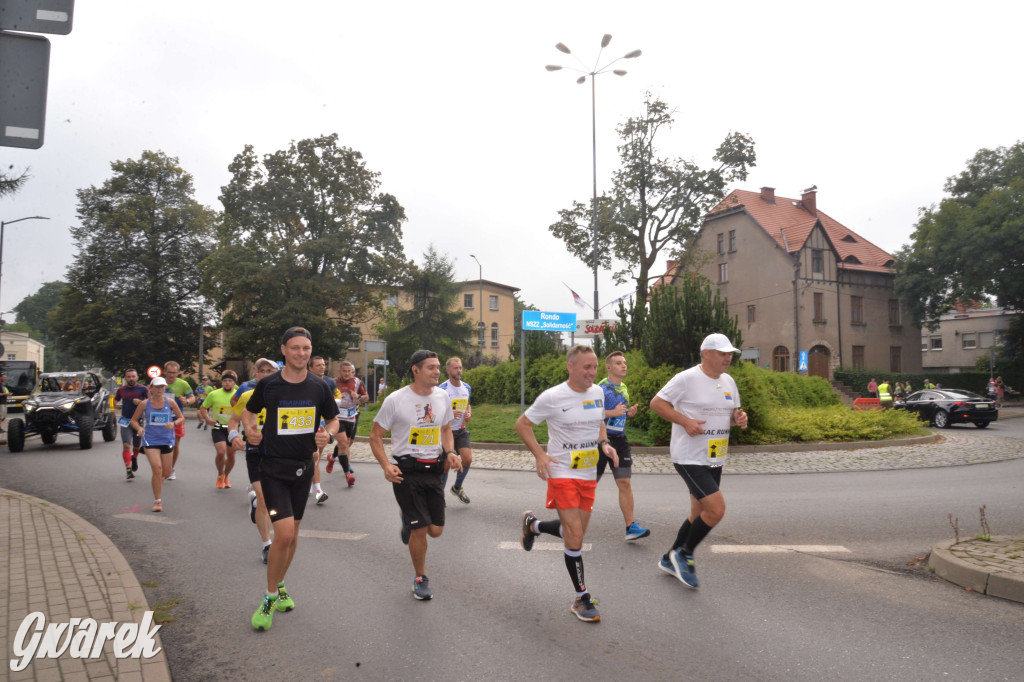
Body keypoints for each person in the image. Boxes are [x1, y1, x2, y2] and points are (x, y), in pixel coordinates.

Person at [245, 327, 339, 631]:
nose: (302, 353)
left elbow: (333, 419)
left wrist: (329, 434)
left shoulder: (320, 386)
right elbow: (249, 413)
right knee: (283, 534)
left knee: (293, 534)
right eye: (296, 348)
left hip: (303, 468)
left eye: (307, 348)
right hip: (272, 468)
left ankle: (280, 583)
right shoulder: (269, 385)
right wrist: (249, 431)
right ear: (284, 350)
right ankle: (270, 596)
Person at [516, 345, 618, 623]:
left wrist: (605, 444)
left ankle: (533, 526)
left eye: (595, 366)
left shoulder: (598, 393)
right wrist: (540, 454)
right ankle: (582, 598)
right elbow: (523, 424)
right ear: (570, 367)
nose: (592, 372)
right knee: (574, 536)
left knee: (576, 535)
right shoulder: (552, 396)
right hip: (561, 473)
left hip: (587, 473)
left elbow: (599, 423)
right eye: (586, 367)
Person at [649, 333, 748, 589]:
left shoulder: (728, 381)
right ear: (706, 353)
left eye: (730, 354)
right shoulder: (687, 378)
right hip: (689, 457)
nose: (728, 358)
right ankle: (684, 554)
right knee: (716, 510)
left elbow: (730, 415)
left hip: (715, 456)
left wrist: (738, 418)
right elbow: (657, 403)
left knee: (698, 513)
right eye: (722, 353)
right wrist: (685, 421)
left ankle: (669, 558)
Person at [369, 349, 461, 601]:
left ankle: (407, 519)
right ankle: (420, 578)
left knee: (436, 530)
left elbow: (445, 429)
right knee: (420, 529)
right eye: (431, 367)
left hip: (434, 470)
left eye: (438, 367)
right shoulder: (396, 400)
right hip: (406, 471)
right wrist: (386, 465)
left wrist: (451, 451)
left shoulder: (442, 396)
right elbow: (375, 435)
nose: (437, 371)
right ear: (416, 370)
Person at [228, 358, 278, 564]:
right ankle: (267, 544)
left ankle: (256, 502)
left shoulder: (285, 396)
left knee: (276, 501)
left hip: (279, 453)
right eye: (262, 371)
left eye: (270, 371)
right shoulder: (248, 396)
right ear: (256, 375)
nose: (265, 374)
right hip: (255, 451)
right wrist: (234, 436)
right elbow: (233, 420)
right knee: (265, 501)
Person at [598, 351, 650, 541]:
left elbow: (618, 412)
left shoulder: (624, 387)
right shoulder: (600, 388)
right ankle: (568, 521)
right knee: (588, 485)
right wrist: (613, 412)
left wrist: (627, 414)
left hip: (619, 439)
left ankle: (631, 527)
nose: (624, 366)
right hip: (600, 440)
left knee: (625, 483)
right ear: (609, 367)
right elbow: (592, 413)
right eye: (619, 363)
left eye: (625, 363)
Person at [129, 377, 186, 513]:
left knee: (166, 472)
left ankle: (158, 481)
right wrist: (139, 429)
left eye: (162, 387)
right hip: (150, 440)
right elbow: (133, 421)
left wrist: (173, 423)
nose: (160, 389)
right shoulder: (144, 404)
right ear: (151, 388)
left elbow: (181, 417)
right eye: (157, 387)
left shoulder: (170, 402)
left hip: (167, 439)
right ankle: (157, 500)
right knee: (157, 469)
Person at [326, 360, 367, 486]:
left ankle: (332, 458)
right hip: (337, 417)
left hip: (351, 416)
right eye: (344, 371)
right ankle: (347, 474)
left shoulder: (357, 382)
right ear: (339, 371)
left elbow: (366, 397)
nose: (347, 373)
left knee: (346, 443)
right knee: (343, 442)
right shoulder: (333, 382)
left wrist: (358, 397)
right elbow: (324, 398)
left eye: (349, 371)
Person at [439, 357, 473, 504]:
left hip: (460, 430)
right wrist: (450, 414)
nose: (459, 370)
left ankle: (457, 487)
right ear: (448, 370)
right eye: (455, 368)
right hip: (446, 431)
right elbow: (437, 412)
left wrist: (469, 413)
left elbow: (468, 404)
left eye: (460, 368)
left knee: (468, 458)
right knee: (446, 465)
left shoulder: (467, 387)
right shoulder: (442, 389)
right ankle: (439, 495)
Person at [199, 370, 239, 489]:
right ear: (222, 382)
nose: (227, 383)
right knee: (221, 452)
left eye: (230, 381)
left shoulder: (239, 395)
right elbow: (203, 408)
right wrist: (207, 418)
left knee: (231, 455)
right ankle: (220, 474)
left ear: (234, 383)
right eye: (225, 381)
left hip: (232, 429)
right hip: (218, 427)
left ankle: (226, 476)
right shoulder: (214, 394)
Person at [308, 356, 340, 504]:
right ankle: (316, 488)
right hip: (304, 426)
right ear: (311, 368)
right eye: (318, 365)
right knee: (313, 456)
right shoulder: (303, 382)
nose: (322, 367)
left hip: (321, 423)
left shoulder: (329, 383)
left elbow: (333, 402)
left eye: (323, 365)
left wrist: (329, 432)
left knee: (316, 456)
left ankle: (315, 486)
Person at [114, 369, 148, 480]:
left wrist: (141, 402)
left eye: (133, 376)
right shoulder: (121, 389)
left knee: (137, 446)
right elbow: (116, 400)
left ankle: (134, 457)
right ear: (125, 378)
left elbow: (152, 401)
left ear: (137, 377)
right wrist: (117, 405)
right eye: (128, 377)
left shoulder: (143, 389)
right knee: (127, 445)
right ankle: (128, 470)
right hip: (125, 421)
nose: (131, 379)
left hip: (138, 421)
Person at [163, 361, 195, 480]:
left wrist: (186, 401)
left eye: (174, 373)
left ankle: (171, 468)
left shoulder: (183, 384)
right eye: (169, 372)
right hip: (160, 419)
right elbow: (149, 395)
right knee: (162, 444)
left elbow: (192, 398)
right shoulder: (159, 383)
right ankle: (163, 466)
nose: (171, 375)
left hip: (177, 418)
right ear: (165, 371)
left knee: (175, 444)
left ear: (178, 372)